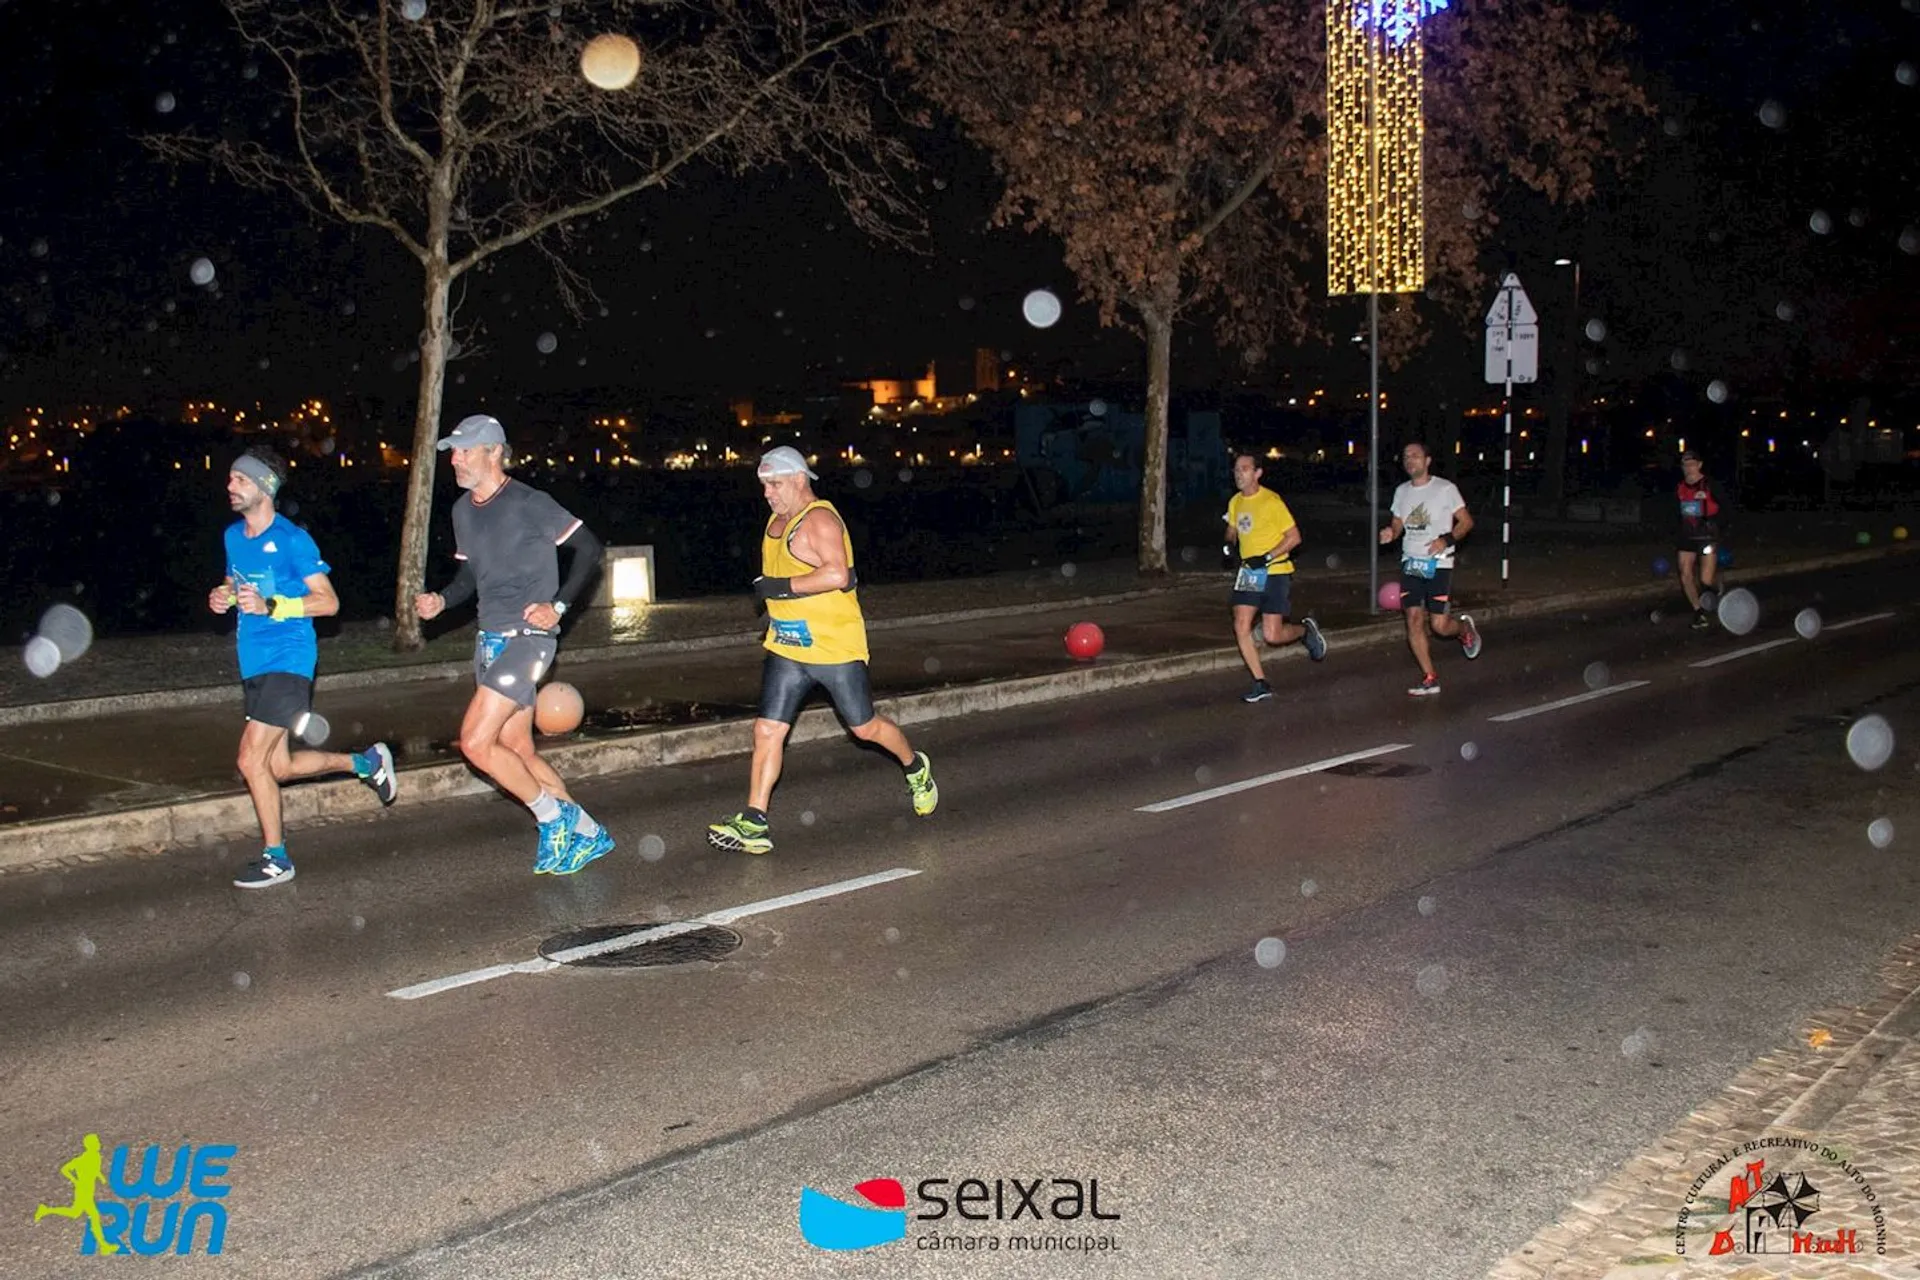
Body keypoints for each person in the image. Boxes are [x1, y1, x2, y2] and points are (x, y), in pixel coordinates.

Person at [707, 446, 938, 855]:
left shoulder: (819, 520)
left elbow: (839, 573)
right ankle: (755, 820)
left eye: (775, 484)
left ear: (799, 480)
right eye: (763, 486)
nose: (768, 494)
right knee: (767, 730)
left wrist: (779, 588)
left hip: (834, 648)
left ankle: (915, 766)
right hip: (788, 647)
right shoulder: (777, 521)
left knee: (864, 728)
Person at [414, 414, 613, 874]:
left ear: (494, 453)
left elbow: (589, 550)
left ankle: (551, 816)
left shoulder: (529, 503)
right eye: (453, 452)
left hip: (530, 640)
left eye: (465, 451)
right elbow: (469, 575)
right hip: (489, 642)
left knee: (474, 742)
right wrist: (442, 600)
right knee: (518, 752)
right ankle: (587, 832)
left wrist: (558, 607)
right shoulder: (463, 510)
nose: (456, 460)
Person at [209, 446, 397, 889]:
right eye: (231, 479)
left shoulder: (293, 540)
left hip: (289, 661)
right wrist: (225, 595)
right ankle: (366, 762)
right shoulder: (233, 536)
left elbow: (329, 601)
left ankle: (277, 858)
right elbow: (237, 583)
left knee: (249, 759)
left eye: (239, 479)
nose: (230, 487)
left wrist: (275, 604)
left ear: (264, 487)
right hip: (253, 662)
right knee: (279, 767)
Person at [1379, 441, 1482, 696]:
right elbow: (1398, 521)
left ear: (1427, 461)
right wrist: (1391, 532)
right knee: (1414, 620)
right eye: (1406, 457)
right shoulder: (1402, 491)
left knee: (1439, 625)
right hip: (1411, 562)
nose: (1409, 460)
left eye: (1415, 456)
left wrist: (1445, 540)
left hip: (1439, 562)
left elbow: (1466, 522)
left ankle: (1464, 629)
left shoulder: (1445, 489)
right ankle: (1430, 676)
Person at [1223, 452, 1327, 703]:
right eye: (1236, 469)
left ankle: (1304, 631)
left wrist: (1267, 557)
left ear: (1257, 473)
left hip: (1275, 571)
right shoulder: (1236, 501)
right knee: (1241, 623)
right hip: (1249, 572)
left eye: (1245, 469)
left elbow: (1294, 537)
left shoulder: (1271, 501)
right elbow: (1232, 529)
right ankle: (1261, 682)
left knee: (1272, 635)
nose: (1239, 474)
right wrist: (1228, 545)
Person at [1675, 449, 1726, 630]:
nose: (1688, 468)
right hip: (1687, 535)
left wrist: (1715, 524)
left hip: (1707, 536)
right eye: (1685, 465)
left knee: (1705, 580)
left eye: (1691, 464)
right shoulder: (1680, 487)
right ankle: (1699, 612)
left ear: (1699, 465)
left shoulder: (1710, 484)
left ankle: (1713, 590)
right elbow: (1674, 512)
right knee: (1685, 574)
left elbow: (1726, 508)